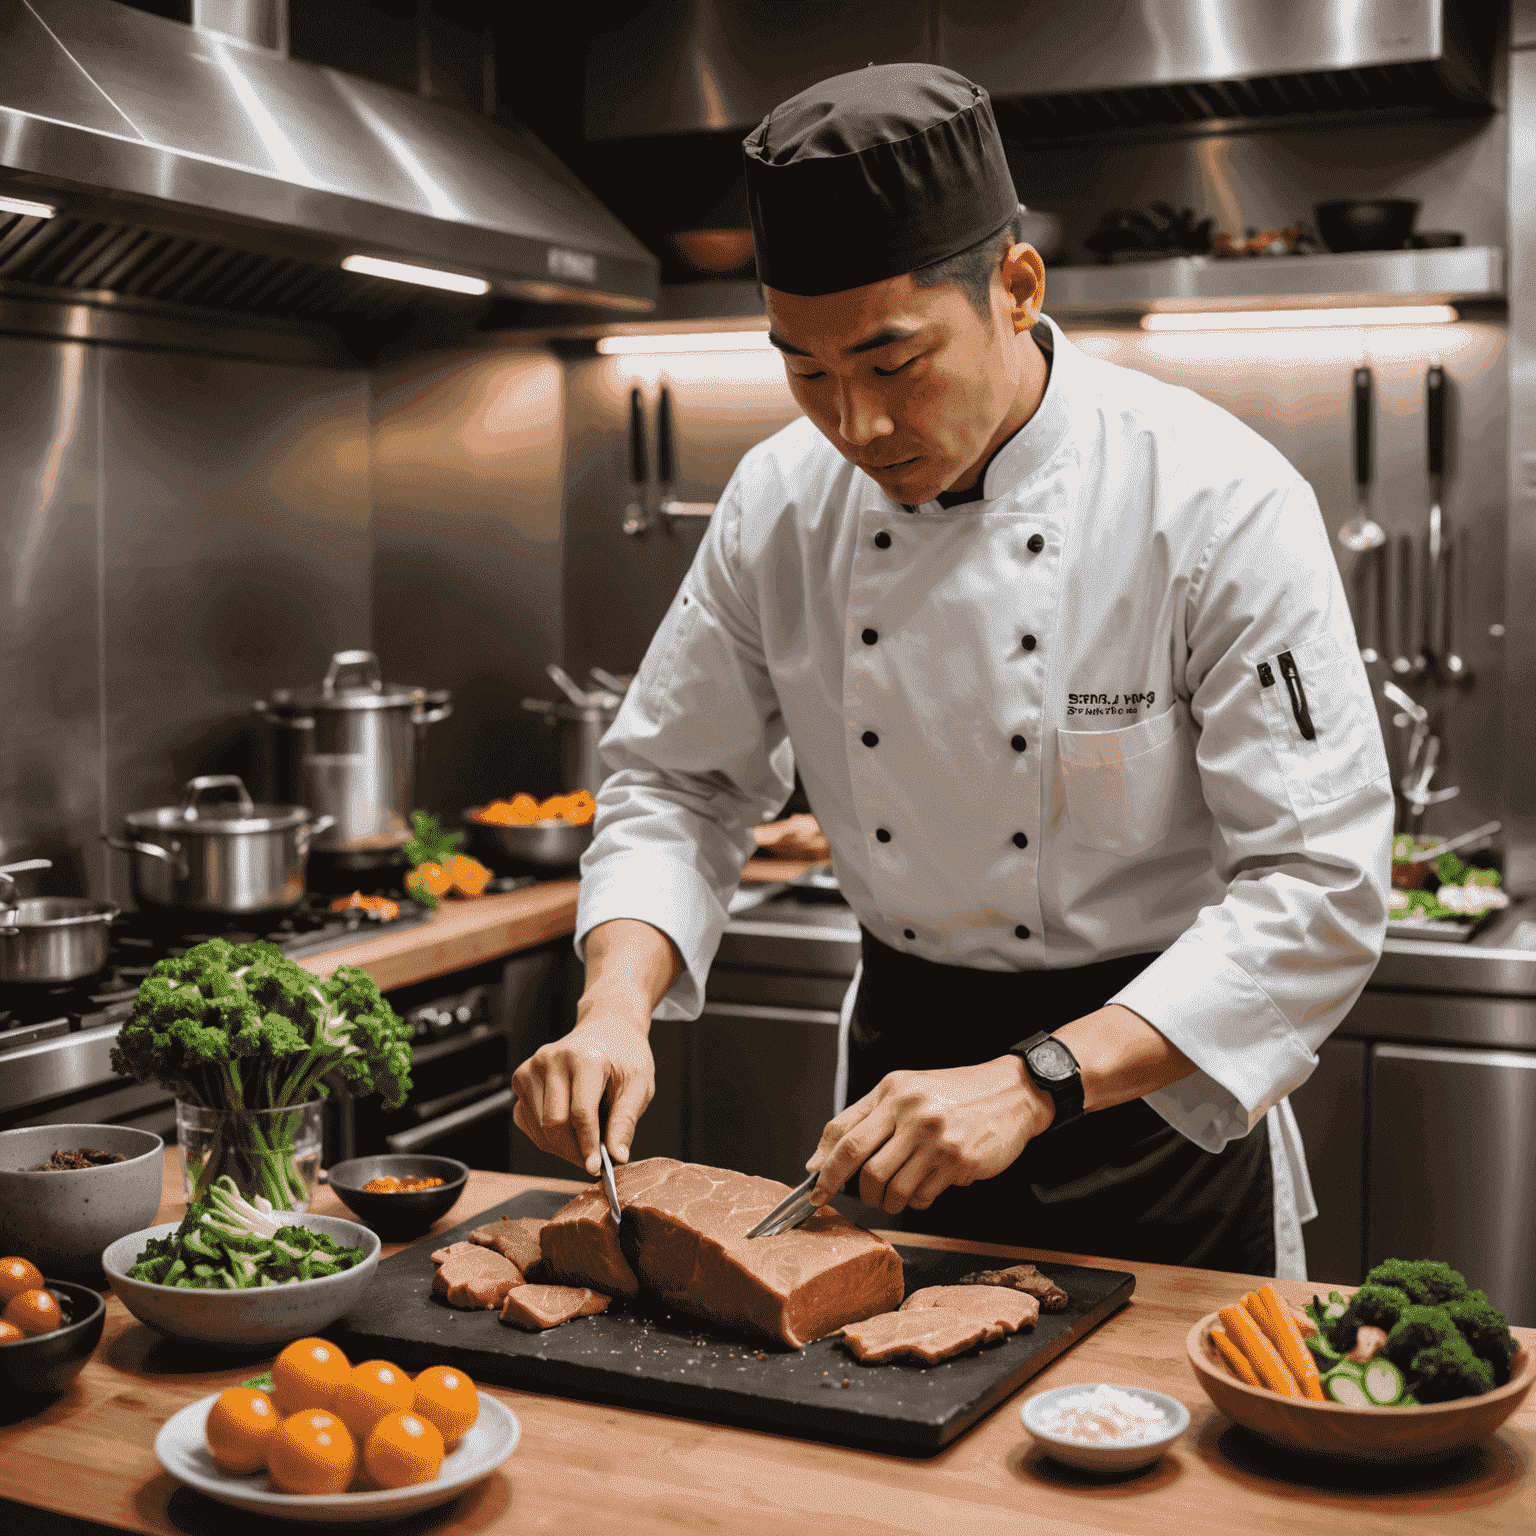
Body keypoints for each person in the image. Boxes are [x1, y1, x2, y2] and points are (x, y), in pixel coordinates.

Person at [512, 62, 1394, 1276]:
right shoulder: (780, 500)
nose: (857, 428)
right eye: (807, 373)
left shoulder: (1212, 500)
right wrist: (613, 1005)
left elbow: (1317, 883)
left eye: (891, 363)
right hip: (895, 1118)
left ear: (1016, 289)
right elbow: (678, 783)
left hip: (1156, 1098)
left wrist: (1038, 1080)